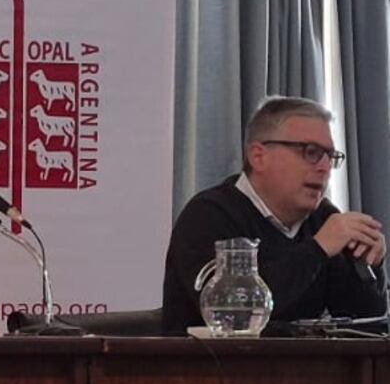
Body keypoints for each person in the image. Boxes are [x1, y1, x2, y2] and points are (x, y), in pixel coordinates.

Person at [162, 96, 386, 333]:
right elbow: (235, 314)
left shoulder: (324, 218)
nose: (324, 167)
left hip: (307, 357)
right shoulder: (208, 215)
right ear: (259, 156)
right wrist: (317, 250)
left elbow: (367, 326)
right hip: (212, 357)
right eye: (311, 152)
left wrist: (369, 265)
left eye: (330, 156)